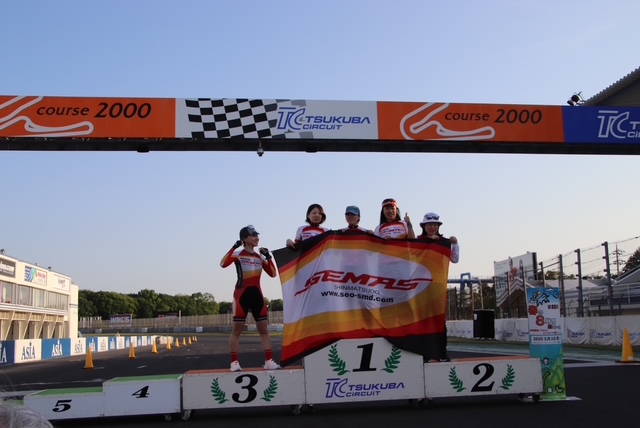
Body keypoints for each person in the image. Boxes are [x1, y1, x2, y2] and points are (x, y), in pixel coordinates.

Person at [220, 225, 280, 372]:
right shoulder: (238, 254)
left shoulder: (260, 257)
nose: (256, 238)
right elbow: (223, 264)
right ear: (244, 239)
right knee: (237, 330)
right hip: (241, 296)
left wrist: (268, 257)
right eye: (253, 235)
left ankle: (269, 361)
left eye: (257, 235)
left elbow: (273, 274)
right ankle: (234, 362)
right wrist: (234, 246)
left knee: (264, 330)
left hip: (257, 296)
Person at [417, 212, 459, 361]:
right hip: (420, 286)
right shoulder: (417, 241)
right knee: (423, 321)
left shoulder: (443, 242)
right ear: (424, 226)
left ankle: (441, 353)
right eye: (429, 224)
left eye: (435, 224)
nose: (432, 227)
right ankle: (425, 354)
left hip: (438, 286)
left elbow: (455, 259)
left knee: (439, 321)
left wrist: (455, 244)